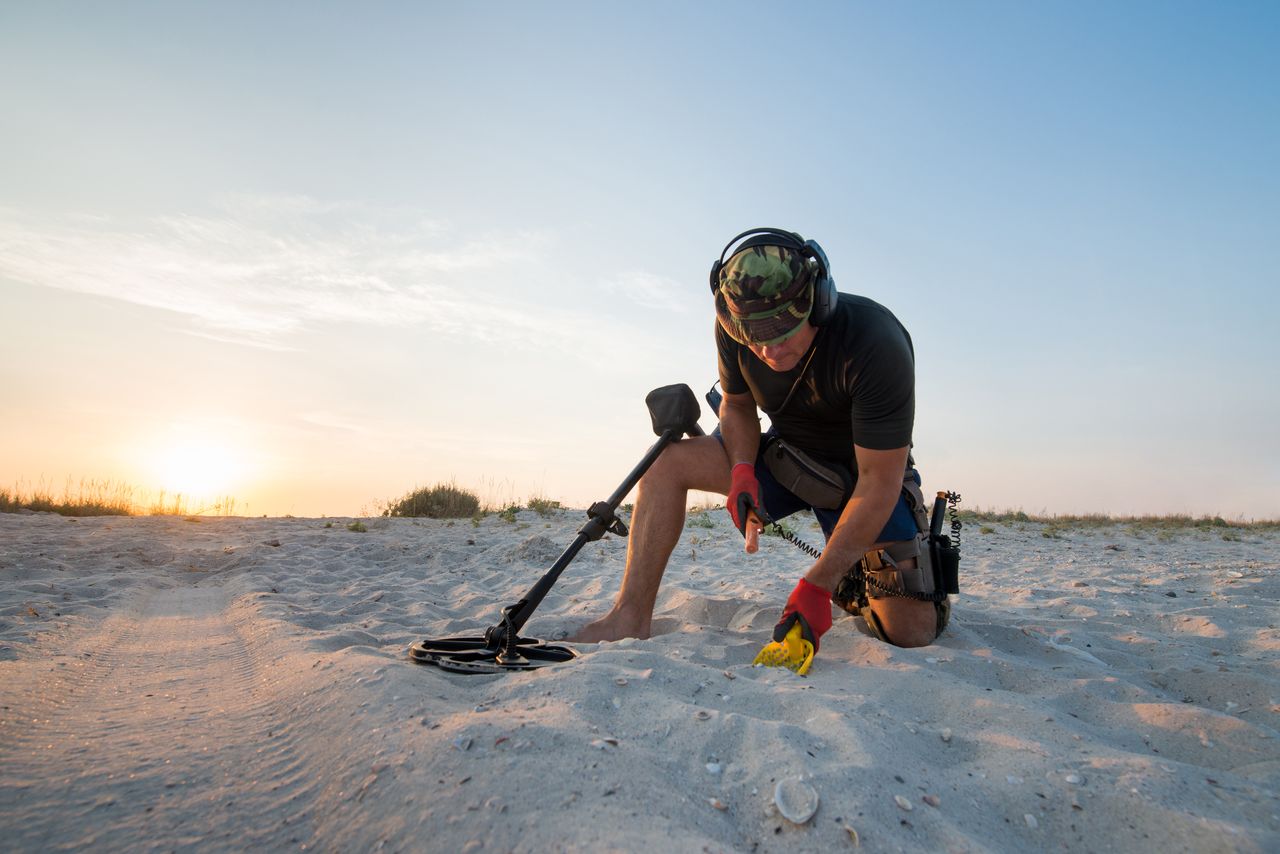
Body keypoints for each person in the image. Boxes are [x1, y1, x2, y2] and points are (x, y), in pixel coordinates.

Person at [573, 227, 948, 660]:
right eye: (756, 336)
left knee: (910, 632)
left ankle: (851, 569)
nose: (770, 351)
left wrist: (816, 586)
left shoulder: (875, 342)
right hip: (788, 462)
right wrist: (742, 472)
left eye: (784, 331)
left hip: (860, 480)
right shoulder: (733, 329)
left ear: (819, 301)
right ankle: (629, 616)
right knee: (665, 463)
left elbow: (878, 482)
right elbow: (735, 405)